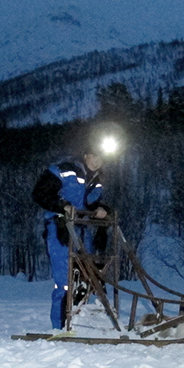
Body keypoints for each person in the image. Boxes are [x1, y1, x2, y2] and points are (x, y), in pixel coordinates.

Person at [32, 140, 112, 330]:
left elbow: (89, 204)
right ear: (85, 155)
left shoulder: (96, 180)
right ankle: (60, 327)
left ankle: (80, 323)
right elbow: (39, 193)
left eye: (101, 157)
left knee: (89, 277)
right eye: (94, 155)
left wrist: (102, 209)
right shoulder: (65, 170)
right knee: (65, 281)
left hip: (82, 232)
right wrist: (62, 205)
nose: (97, 161)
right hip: (59, 228)